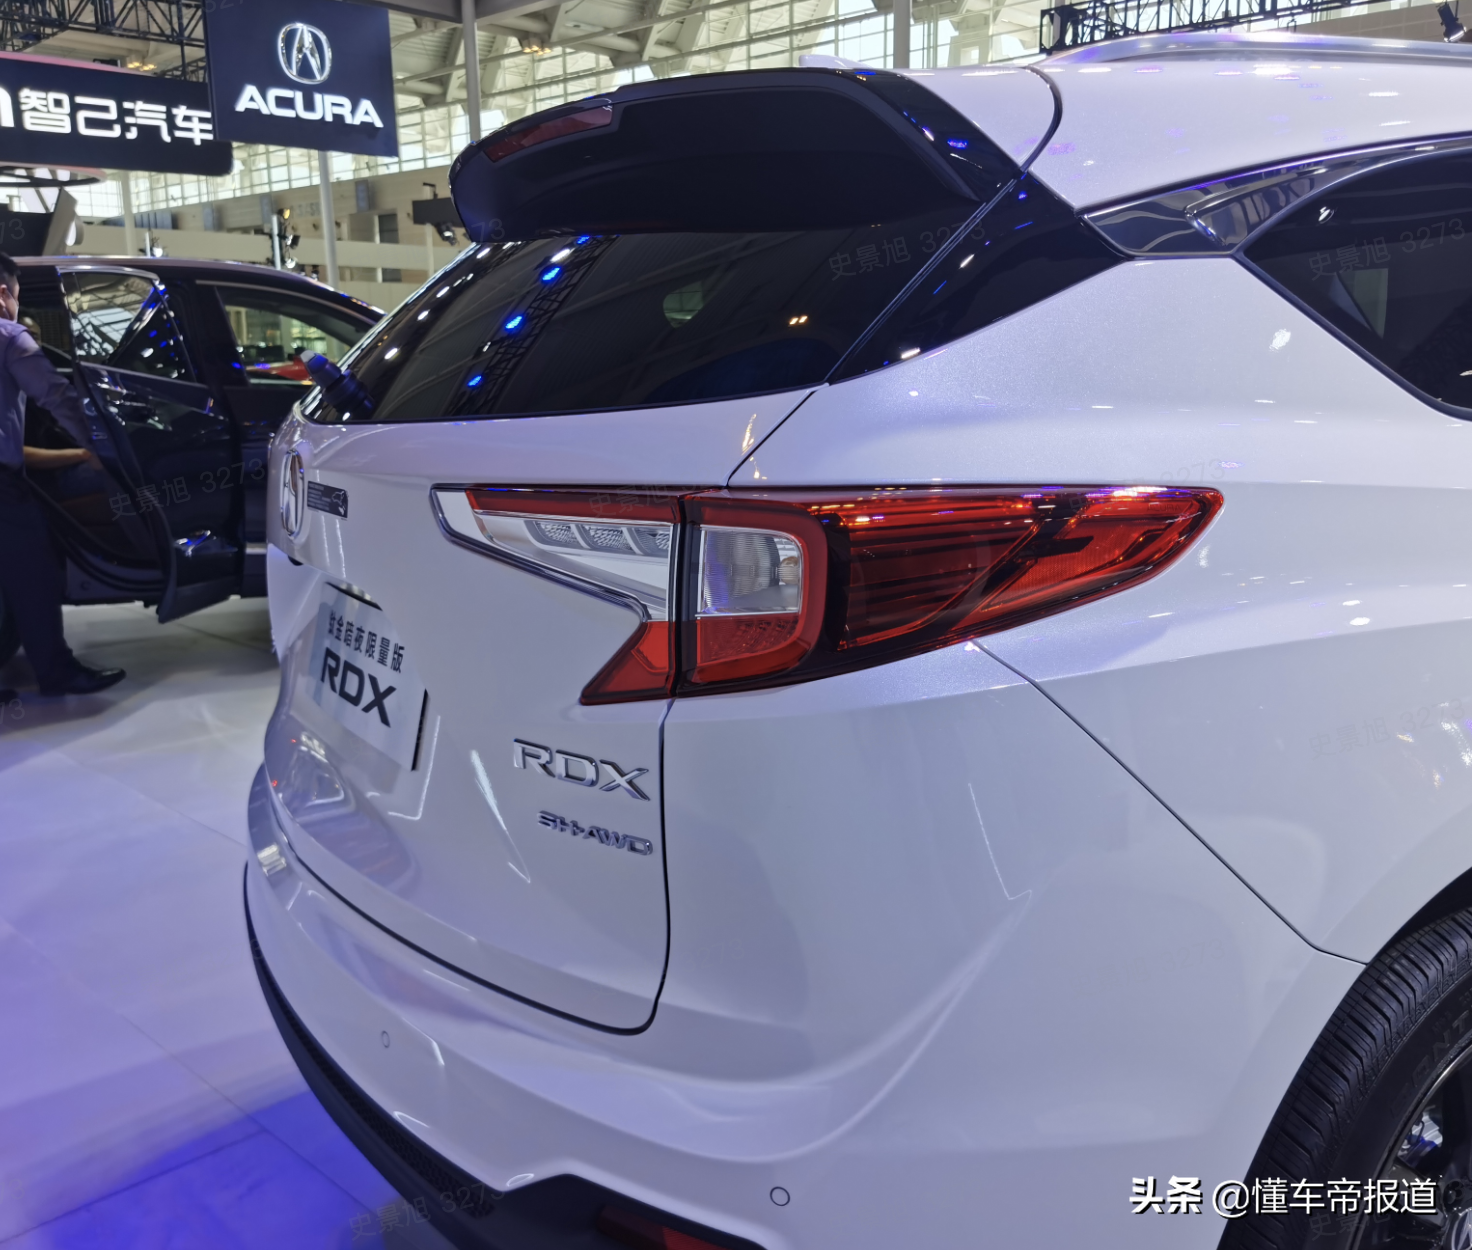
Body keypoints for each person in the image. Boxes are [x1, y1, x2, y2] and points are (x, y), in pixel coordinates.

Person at [0, 251, 124, 701]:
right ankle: (57, 673)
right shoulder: (9, 336)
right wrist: (97, 446)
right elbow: (56, 396)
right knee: (34, 573)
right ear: (3, 293)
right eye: (17, 297)